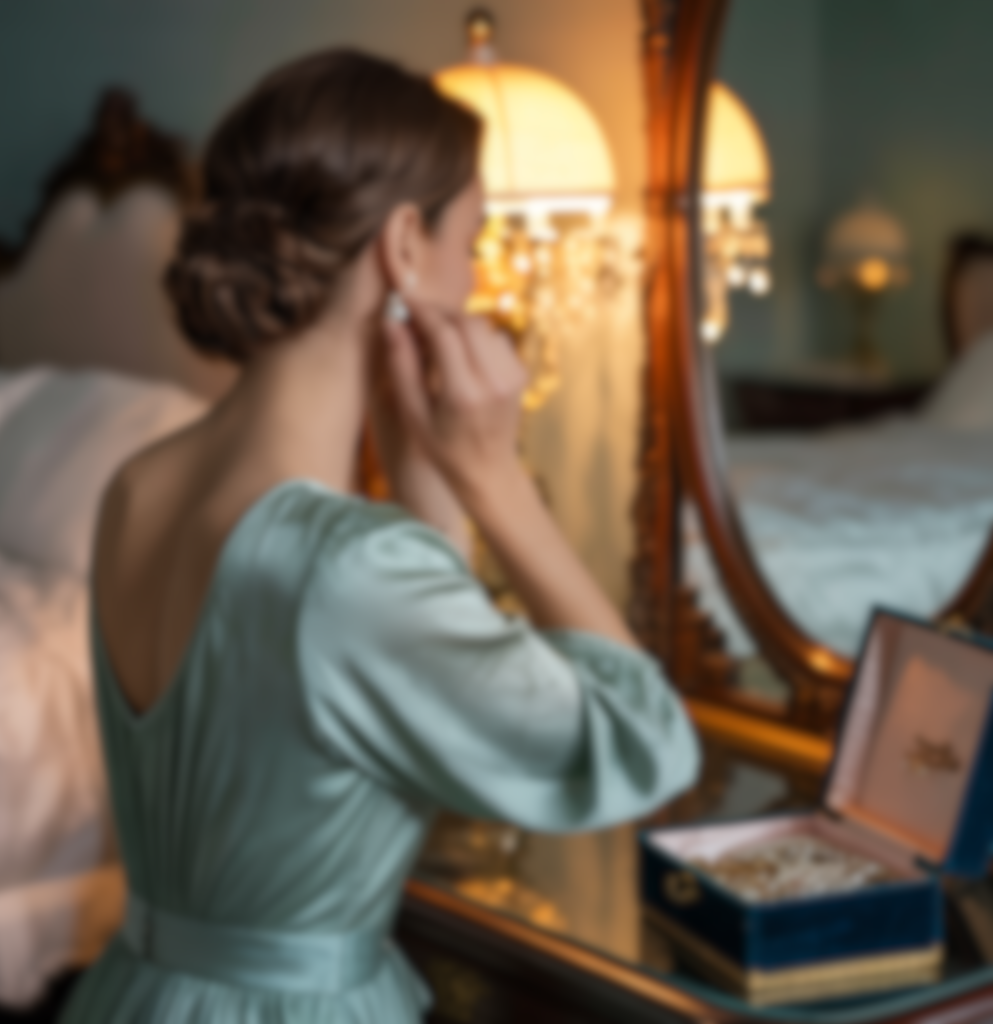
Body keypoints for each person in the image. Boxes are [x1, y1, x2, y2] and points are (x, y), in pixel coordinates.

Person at [60, 49, 700, 1023]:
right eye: (473, 238)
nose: (478, 273)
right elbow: (644, 744)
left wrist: (422, 491)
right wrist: (495, 480)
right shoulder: (350, 566)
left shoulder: (136, 487)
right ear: (405, 244)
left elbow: (354, 708)